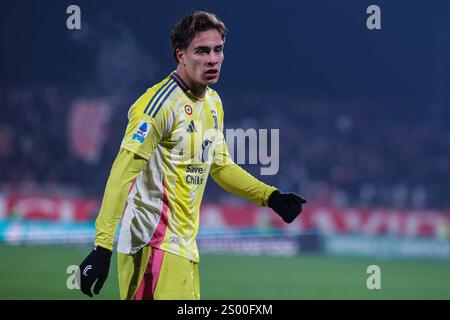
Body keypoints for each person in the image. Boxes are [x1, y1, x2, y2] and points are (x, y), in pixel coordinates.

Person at [77, 11, 306, 300]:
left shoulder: (213, 103)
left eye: (218, 50)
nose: (212, 59)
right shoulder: (158, 105)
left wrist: (270, 196)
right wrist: (102, 248)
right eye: (202, 51)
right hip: (152, 247)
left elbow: (220, 166)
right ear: (181, 54)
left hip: (184, 249)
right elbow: (121, 175)